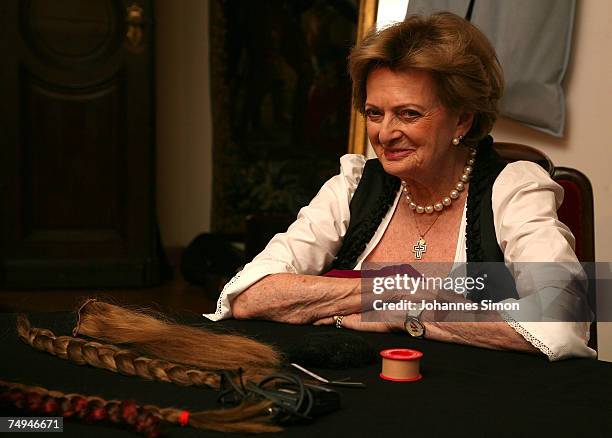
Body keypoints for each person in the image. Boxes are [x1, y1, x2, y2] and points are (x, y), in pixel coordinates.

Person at [205, 12, 595, 361]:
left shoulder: (513, 190)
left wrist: (409, 312)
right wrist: (391, 287)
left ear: (461, 121)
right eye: (375, 113)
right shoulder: (353, 185)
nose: (385, 133)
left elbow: (563, 319)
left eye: (408, 114)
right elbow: (248, 294)